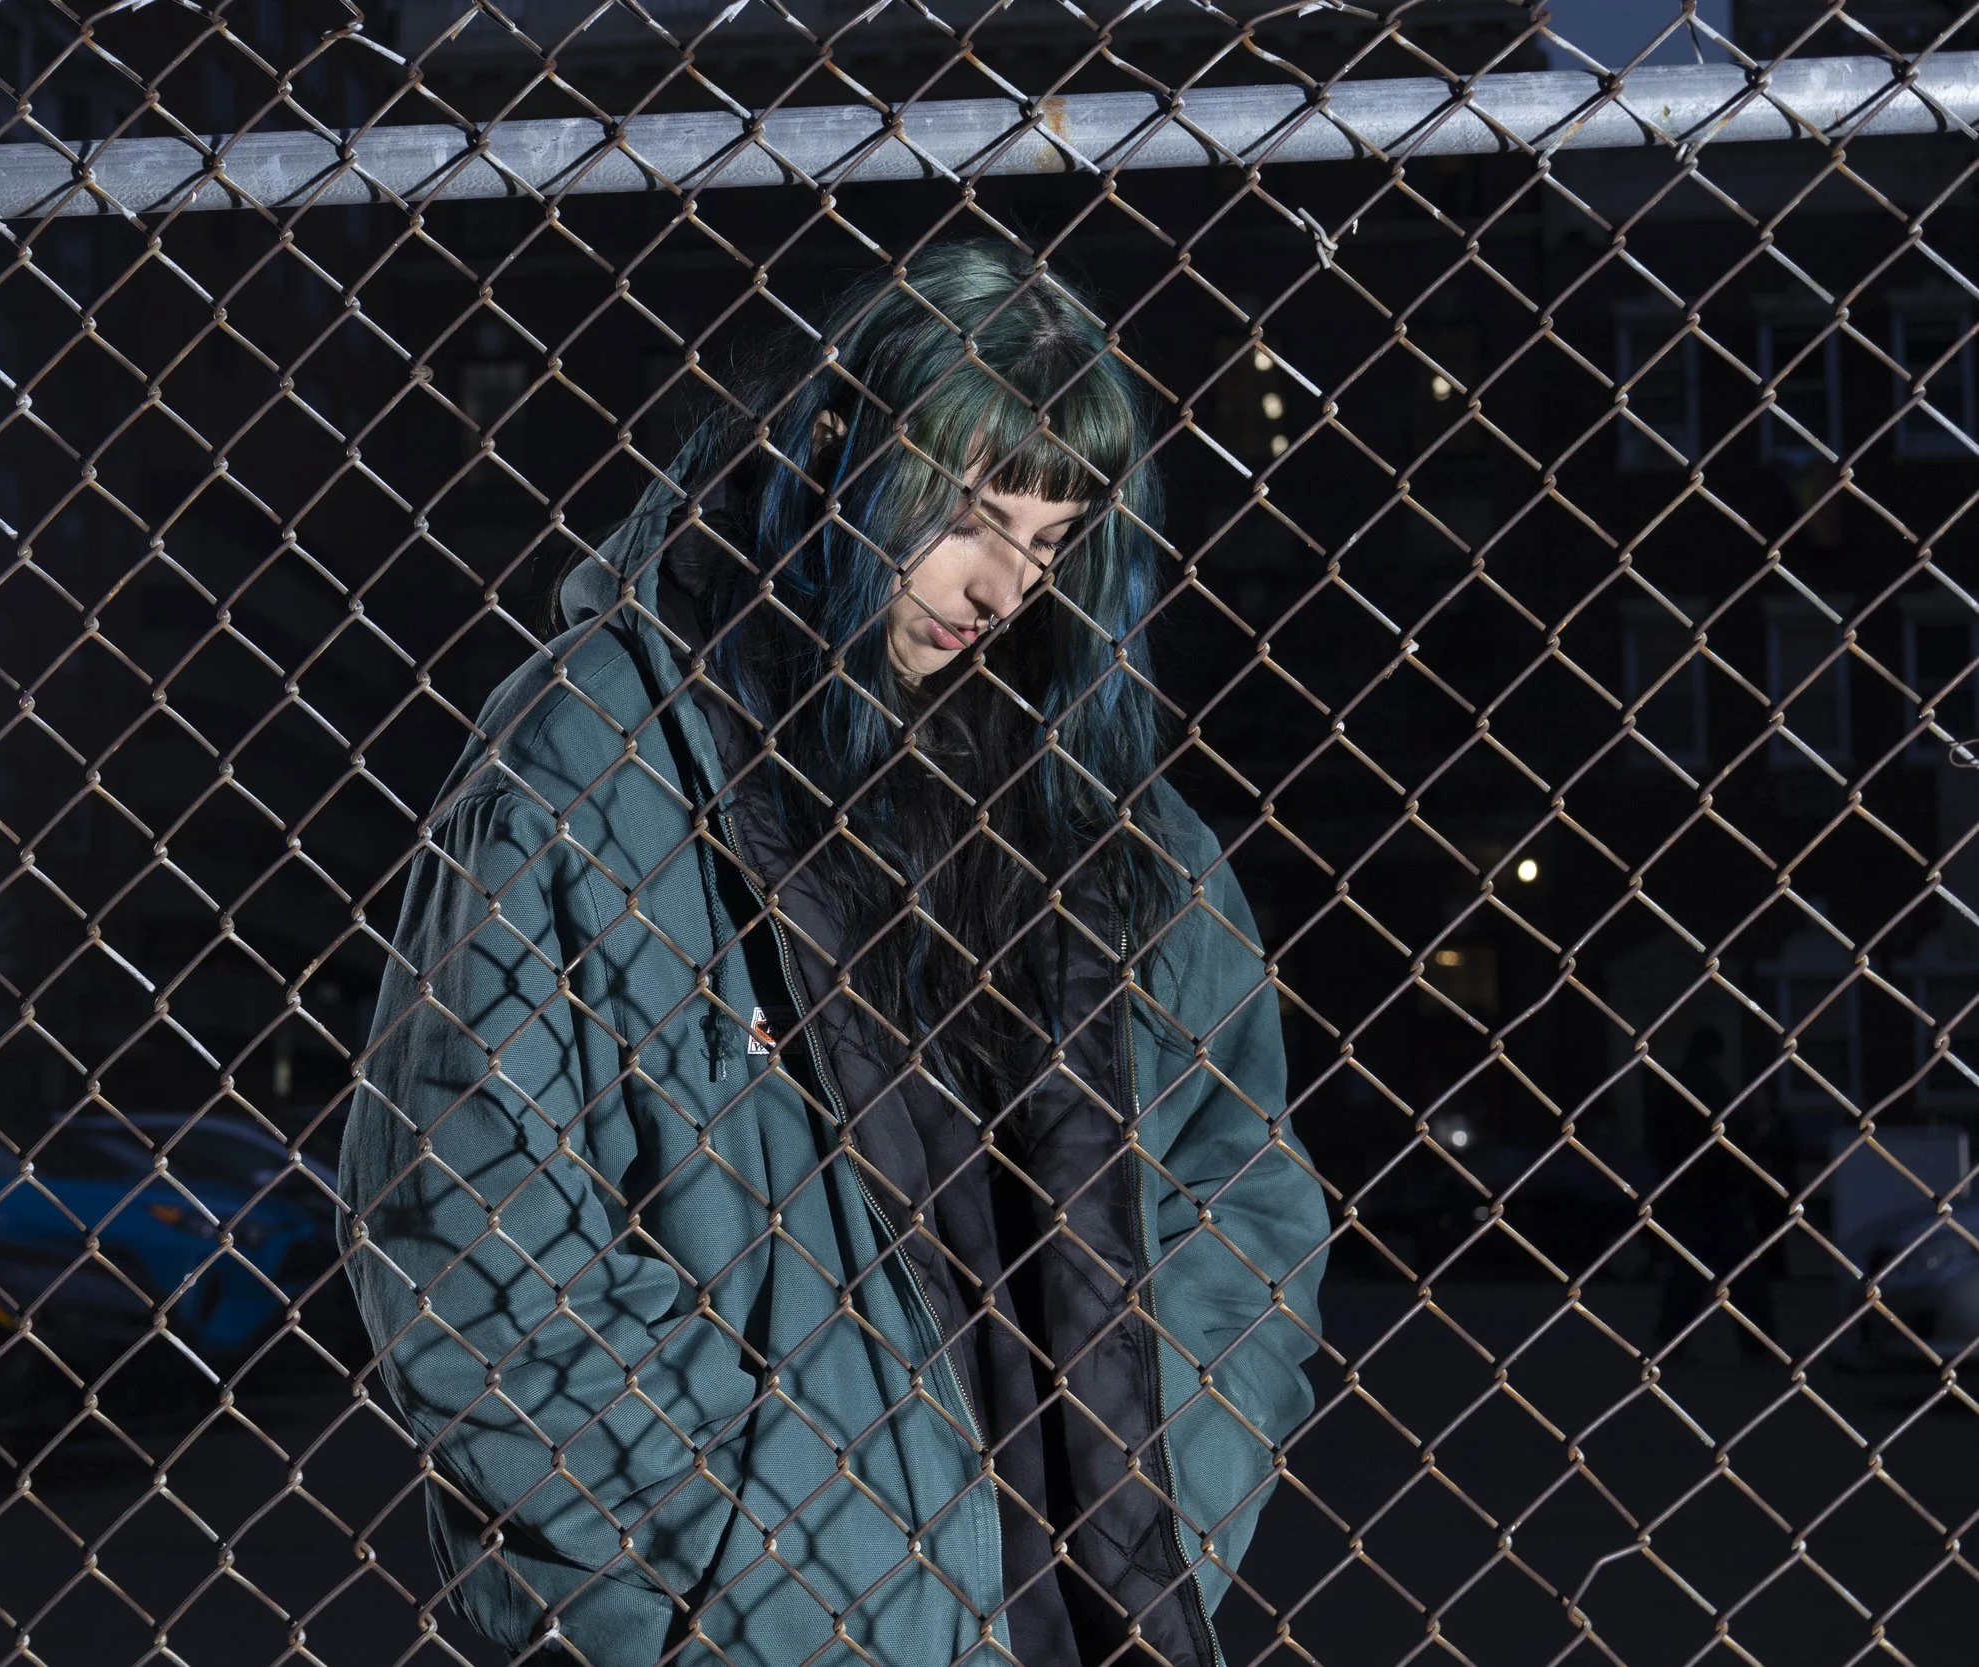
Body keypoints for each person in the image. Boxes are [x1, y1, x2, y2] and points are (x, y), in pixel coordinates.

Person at [338, 241, 1330, 1667]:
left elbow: (1245, 1191)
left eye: (1051, 541)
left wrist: (1186, 1472)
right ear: (834, 446)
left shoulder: (1123, 836)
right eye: (973, 514)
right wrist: (790, 1552)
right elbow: (463, 1231)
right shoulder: (593, 762)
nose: (1004, 586)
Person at [1644, 1027, 1780, 1358]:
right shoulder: (1713, 1087)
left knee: (1687, 1270)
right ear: (1716, 1055)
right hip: (1718, 1192)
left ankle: (1671, 1341)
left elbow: (1656, 1139)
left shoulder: (1670, 1087)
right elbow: (1733, 1135)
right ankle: (1757, 1342)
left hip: (1681, 1189)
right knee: (1743, 1272)